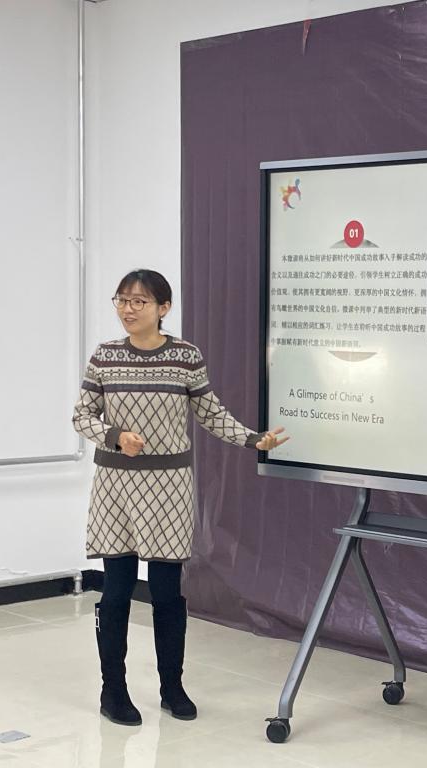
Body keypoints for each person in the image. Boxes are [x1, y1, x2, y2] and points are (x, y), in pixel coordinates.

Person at [72, 269, 288, 727]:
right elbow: (82, 416)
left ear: (163, 308)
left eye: (139, 301)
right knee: (116, 591)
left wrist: (254, 440)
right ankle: (113, 691)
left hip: (169, 488)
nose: (128, 309)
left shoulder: (185, 357)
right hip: (114, 488)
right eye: (122, 300)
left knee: (167, 593)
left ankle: (172, 687)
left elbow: (211, 414)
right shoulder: (105, 356)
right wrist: (115, 436)